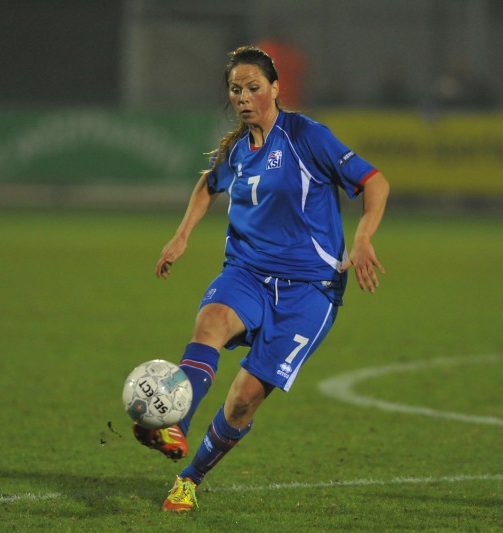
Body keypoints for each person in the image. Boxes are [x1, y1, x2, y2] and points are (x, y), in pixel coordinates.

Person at [133, 45, 390, 512]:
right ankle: (176, 422)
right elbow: (208, 185)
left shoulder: (305, 135)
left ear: (276, 88)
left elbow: (375, 181)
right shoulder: (236, 150)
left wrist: (364, 237)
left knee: (243, 401)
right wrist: (182, 235)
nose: (245, 97)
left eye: (254, 87)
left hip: (309, 290)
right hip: (247, 272)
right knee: (210, 321)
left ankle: (190, 478)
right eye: (236, 89)